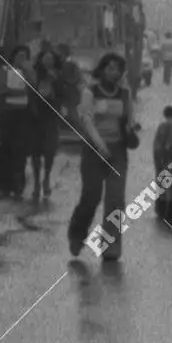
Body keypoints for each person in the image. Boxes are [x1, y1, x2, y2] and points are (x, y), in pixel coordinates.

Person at [67, 52, 137, 262]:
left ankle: (110, 247)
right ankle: (77, 234)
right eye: (110, 68)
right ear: (102, 69)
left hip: (117, 151)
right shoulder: (91, 93)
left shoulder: (124, 94)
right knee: (92, 196)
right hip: (94, 150)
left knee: (115, 200)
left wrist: (131, 129)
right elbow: (87, 122)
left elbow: (130, 119)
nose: (113, 72)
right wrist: (100, 145)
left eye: (117, 69)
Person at [0, 47, 35, 198]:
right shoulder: (4, 69)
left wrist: (27, 71)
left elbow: (33, 85)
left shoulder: (28, 71)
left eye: (24, 56)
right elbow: (2, 88)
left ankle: (18, 183)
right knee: (6, 148)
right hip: (7, 114)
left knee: (20, 149)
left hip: (24, 115)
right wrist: (21, 91)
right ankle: (4, 184)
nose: (21, 59)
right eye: (19, 56)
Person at [30, 47, 64, 200]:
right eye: (45, 59)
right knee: (36, 152)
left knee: (49, 151)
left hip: (51, 117)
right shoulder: (34, 74)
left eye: (50, 59)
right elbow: (29, 92)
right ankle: (37, 182)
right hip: (36, 117)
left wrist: (55, 81)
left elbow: (64, 94)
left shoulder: (59, 75)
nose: (47, 61)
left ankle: (46, 179)